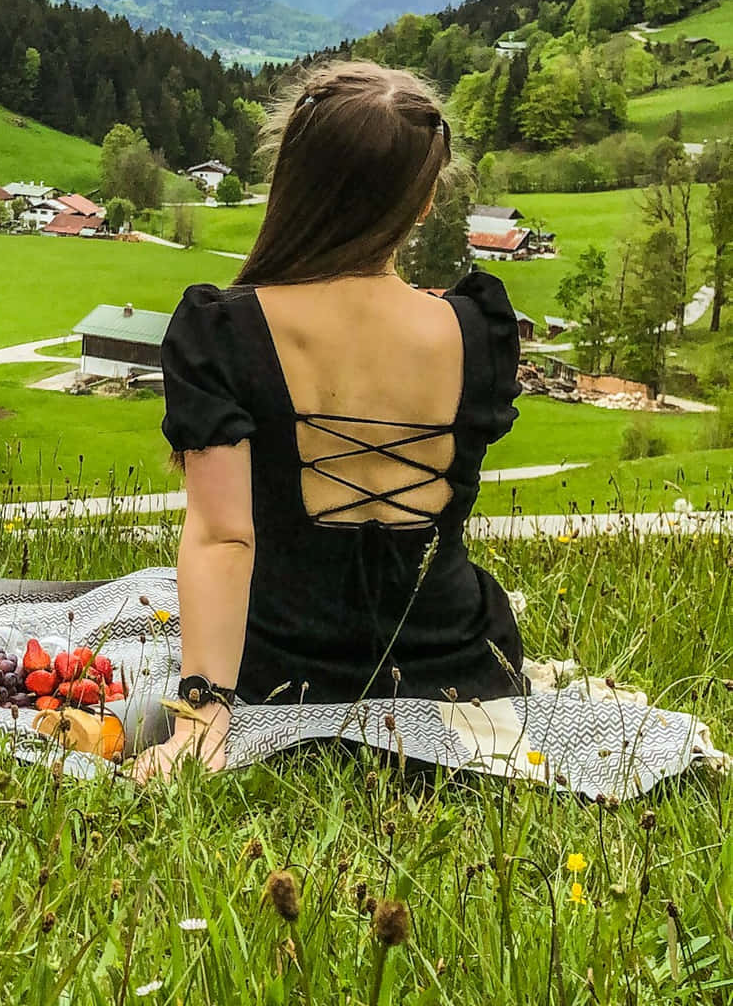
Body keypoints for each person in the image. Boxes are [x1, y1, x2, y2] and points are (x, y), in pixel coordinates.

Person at [134, 60, 523, 779]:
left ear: (293, 181)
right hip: (460, 669)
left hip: (280, 672)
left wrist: (203, 714)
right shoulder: (476, 330)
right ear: (422, 203)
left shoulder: (222, 331)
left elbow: (222, 538)